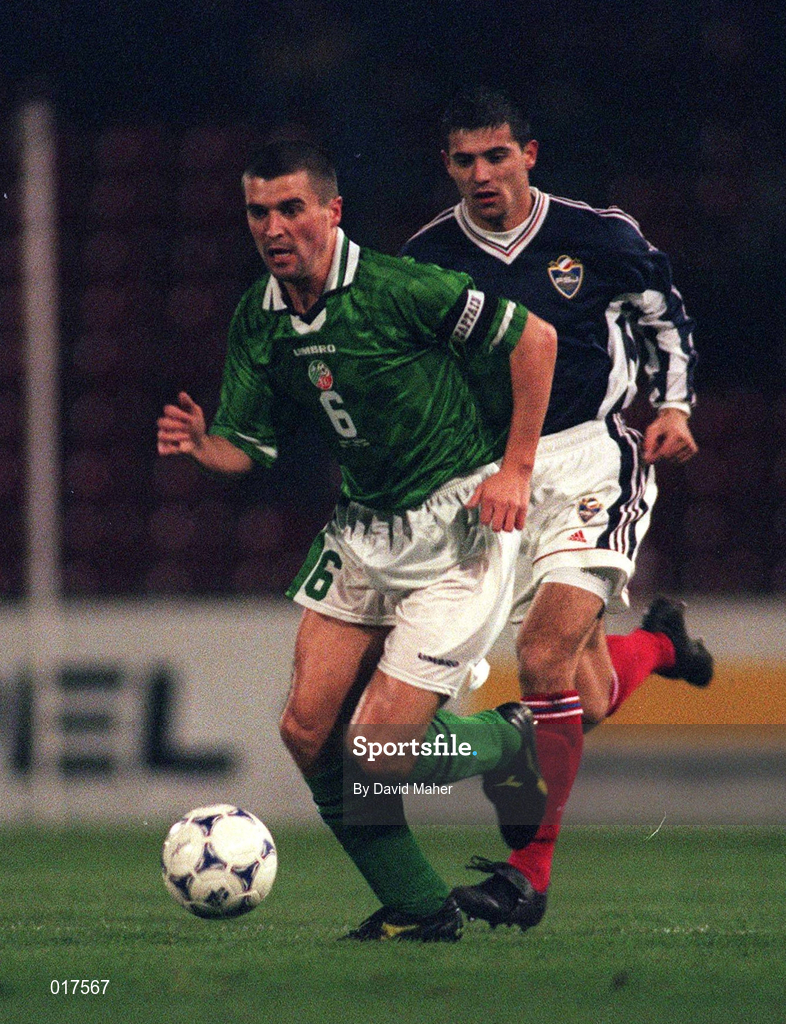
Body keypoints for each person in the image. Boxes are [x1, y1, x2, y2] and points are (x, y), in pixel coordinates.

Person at [157, 139, 557, 941]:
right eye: (258, 212)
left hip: (456, 530)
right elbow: (250, 444)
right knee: (308, 731)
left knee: (373, 752)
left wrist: (515, 471)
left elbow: (535, 339)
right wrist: (208, 447)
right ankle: (420, 908)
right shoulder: (259, 318)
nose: (274, 227)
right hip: (365, 529)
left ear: (332, 212)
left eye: (292, 208)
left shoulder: (397, 288)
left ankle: (508, 743)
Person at [401, 86, 713, 931]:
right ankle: (659, 645)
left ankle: (526, 878)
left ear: (528, 155)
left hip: (590, 459)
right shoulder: (428, 257)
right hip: (498, 478)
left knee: (541, 662)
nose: (481, 174)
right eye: (464, 160)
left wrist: (675, 407)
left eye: (496, 155)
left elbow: (664, 316)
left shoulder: (596, 235)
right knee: (587, 694)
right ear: (447, 166)